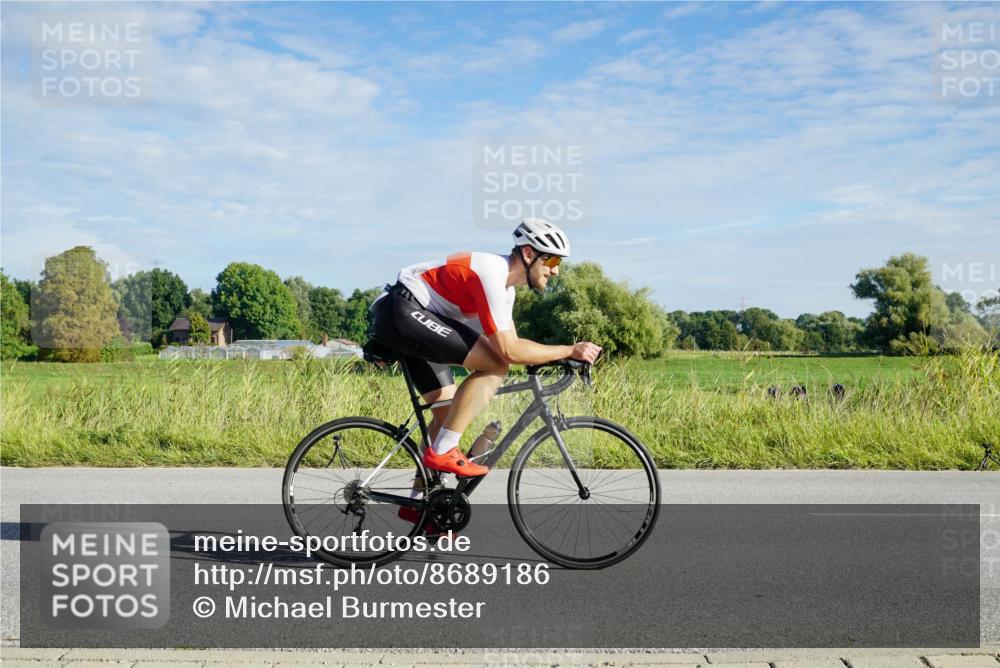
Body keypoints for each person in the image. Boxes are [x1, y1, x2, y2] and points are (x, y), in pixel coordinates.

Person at [370, 218, 602, 479]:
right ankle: (445, 452)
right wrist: (568, 350)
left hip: (412, 316)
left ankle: (423, 501)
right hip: (403, 311)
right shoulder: (491, 273)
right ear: (528, 253)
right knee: (496, 364)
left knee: (446, 413)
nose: (556, 271)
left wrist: (556, 355)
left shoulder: (506, 290)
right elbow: (508, 352)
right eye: (552, 261)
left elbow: (514, 344)